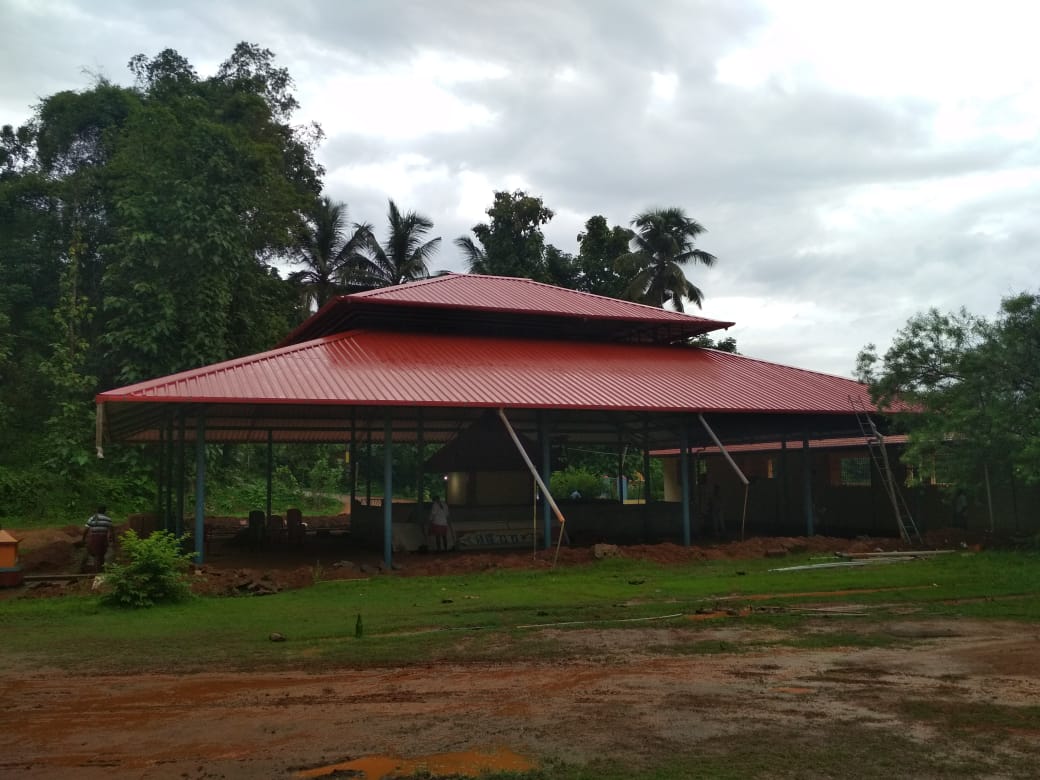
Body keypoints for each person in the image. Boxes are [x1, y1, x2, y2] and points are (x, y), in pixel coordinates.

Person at [82, 505, 116, 573]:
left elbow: (86, 529)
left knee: (96, 555)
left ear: (97, 510)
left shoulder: (92, 518)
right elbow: (112, 531)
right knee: (102, 555)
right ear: (105, 511)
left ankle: (97, 571)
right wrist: (113, 540)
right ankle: (101, 570)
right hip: (103, 539)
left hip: (94, 538)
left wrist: (83, 538)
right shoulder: (108, 519)